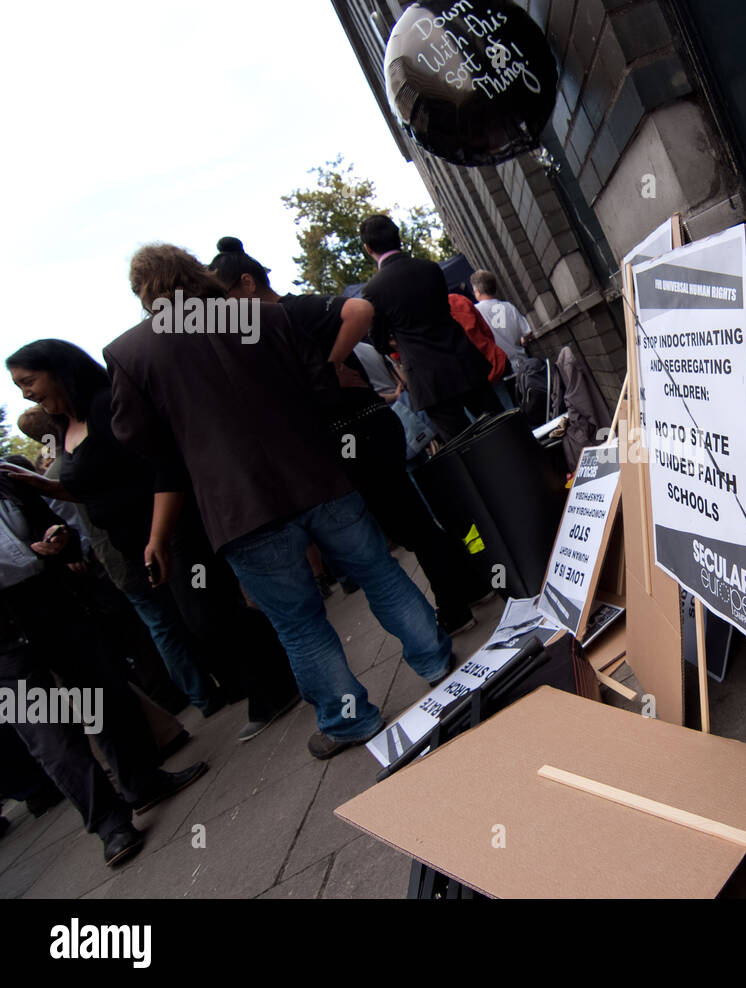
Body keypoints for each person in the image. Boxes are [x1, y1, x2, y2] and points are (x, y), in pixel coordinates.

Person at [105, 244, 456, 759]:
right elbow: (318, 384)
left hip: (239, 505)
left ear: (143, 291)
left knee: (298, 620)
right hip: (315, 474)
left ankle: (349, 719)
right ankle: (436, 662)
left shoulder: (131, 352)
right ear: (193, 271)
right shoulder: (263, 317)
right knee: (380, 572)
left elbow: (138, 439)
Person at [5, 341, 300, 740]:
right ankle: (273, 680)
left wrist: (159, 536)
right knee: (198, 619)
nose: (26, 393)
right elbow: (95, 488)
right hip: (137, 543)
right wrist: (45, 486)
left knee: (208, 613)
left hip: (174, 532)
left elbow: (164, 469)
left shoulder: (104, 407)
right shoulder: (65, 425)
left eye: (29, 381)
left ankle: (283, 676)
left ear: (58, 370)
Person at [209, 237, 484, 634]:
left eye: (229, 295)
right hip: (355, 432)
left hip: (362, 430)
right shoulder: (271, 325)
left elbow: (360, 309)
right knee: (409, 521)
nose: (229, 307)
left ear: (247, 284)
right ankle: (468, 585)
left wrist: (329, 364)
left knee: (409, 524)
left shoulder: (292, 311)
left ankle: (456, 601)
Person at [0, 465, 206, 866]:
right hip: (3, 645)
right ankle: (110, 824)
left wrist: (58, 539)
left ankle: (142, 783)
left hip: (46, 604)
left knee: (103, 697)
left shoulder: (7, 478)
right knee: (50, 736)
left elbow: (54, 525)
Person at [359, 215, 502, 442]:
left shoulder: (373, 290)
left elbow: (377, 341)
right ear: (398, 237)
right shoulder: (429, 268)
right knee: (503, 426)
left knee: (466, 447)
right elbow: (443, 310)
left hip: (428, 379)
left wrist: (396, 339)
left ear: (368, 248)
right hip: (463, 361)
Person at [449, 282, 512, 410]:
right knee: (509, 411)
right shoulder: (458, 300)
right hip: (491, 362)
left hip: (467, 379)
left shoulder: (428, 316)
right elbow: (486, 331)